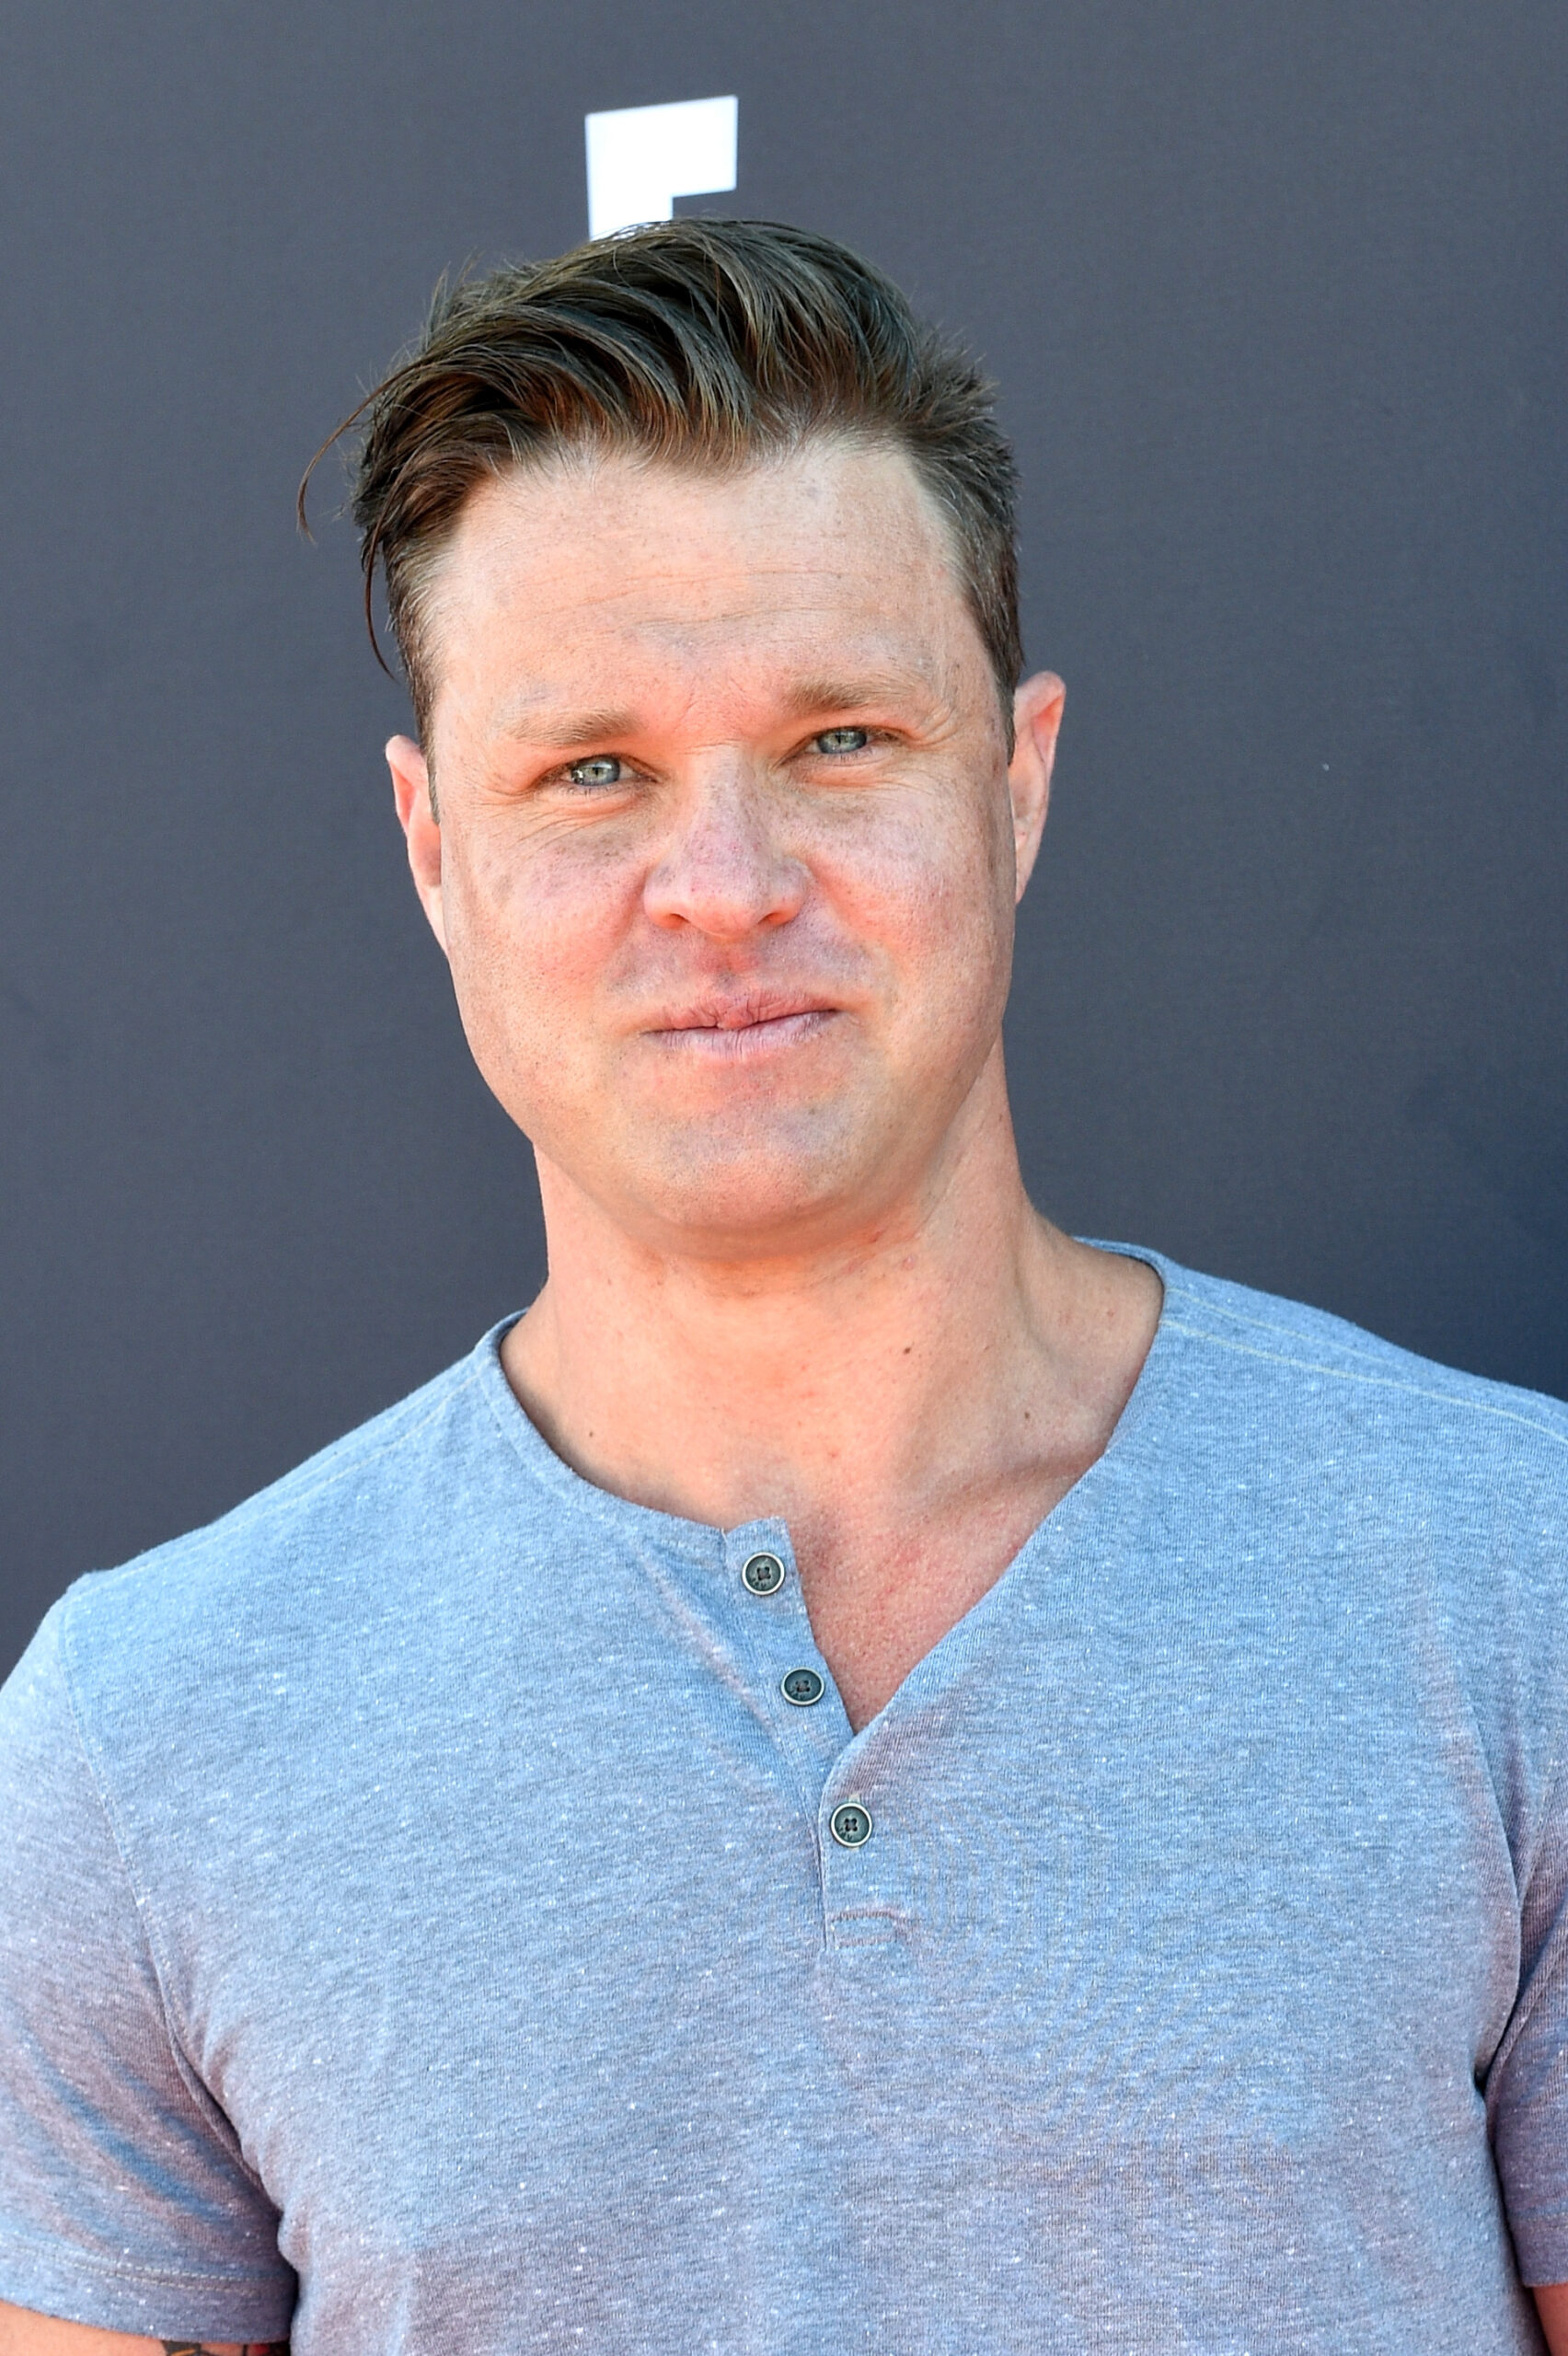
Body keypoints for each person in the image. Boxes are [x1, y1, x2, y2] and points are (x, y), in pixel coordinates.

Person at [1, 219, 1565, 2356]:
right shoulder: (140, 1739)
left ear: (1015, 783)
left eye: (839, 739)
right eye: (594, 770)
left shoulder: (1514, 1590)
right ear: (431, 847)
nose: (726, 886)